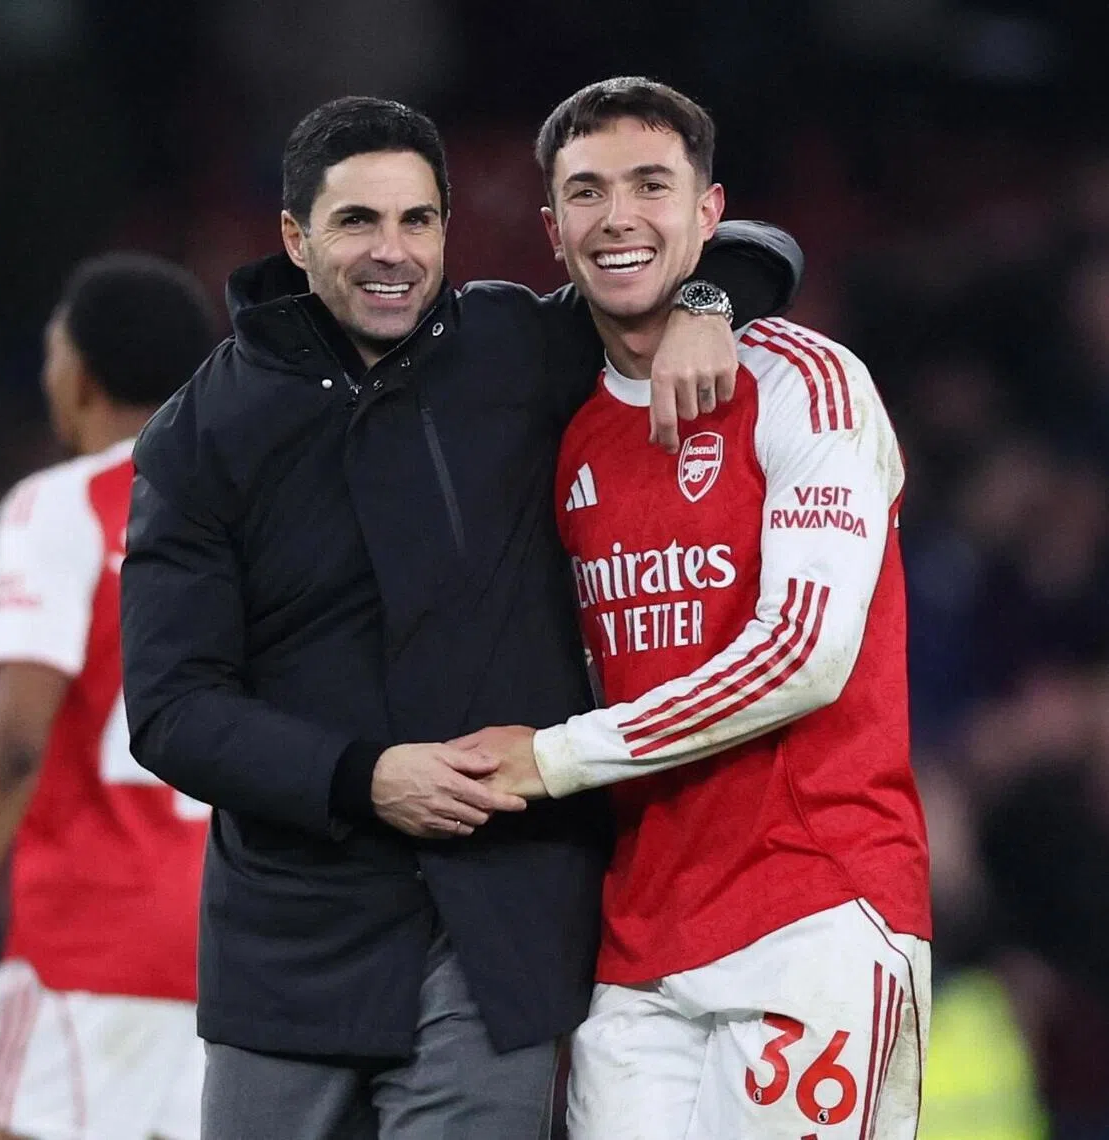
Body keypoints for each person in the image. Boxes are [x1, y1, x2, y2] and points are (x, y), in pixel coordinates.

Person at [119, 93, 803, 1140]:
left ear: (448, 226)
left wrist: (710, 303)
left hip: (498, 926)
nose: (392, 252)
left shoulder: (516, 346)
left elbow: (723, 249)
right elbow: (172, 709)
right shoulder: (200, 434)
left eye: (418, 220)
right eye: (357, 223)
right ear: (296, 238)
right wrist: (365, 777)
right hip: (293, 940)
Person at [463, 77, 932, 1139]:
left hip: (812, 907)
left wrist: (552, 758)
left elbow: (804, 653)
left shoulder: (809, 380)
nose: (617, 217)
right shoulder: (566, 431)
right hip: (636, 944)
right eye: (586, 192)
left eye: (650, 186)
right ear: (551, 228)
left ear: (709, 213)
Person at [0, 254, 217, 1140]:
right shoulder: (257, 521)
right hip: (232, 949)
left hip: (87, 938)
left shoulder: (60, 505)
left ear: (74, 371)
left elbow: (10, 748)